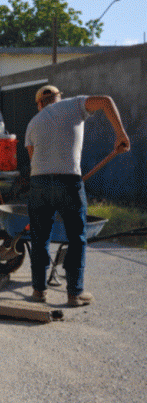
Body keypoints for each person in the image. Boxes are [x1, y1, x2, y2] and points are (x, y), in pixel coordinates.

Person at [25, 85, 130, 307]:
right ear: (58, 97)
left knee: (39, 238)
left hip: (39, 183)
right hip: (68, 181)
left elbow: (34, 159)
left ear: (39, 104)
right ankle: (74, 294)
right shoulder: (72, 105)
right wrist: (120, 133)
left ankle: (38, 291)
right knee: (76, 237)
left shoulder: (33, 123)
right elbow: (105, 99)